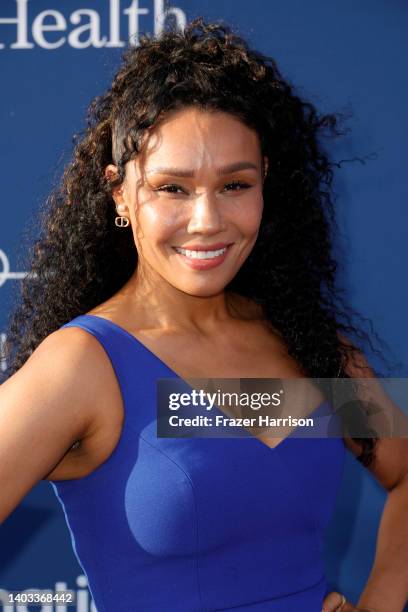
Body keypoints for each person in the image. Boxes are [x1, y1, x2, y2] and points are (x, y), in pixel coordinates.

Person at [1, 16, 407, 612]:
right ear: (120, 193)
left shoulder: (310, 347)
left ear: (265, 180)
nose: (207, 220)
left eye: (234, 185)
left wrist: (380, 603)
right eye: (173, 188)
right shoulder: (85, 366)